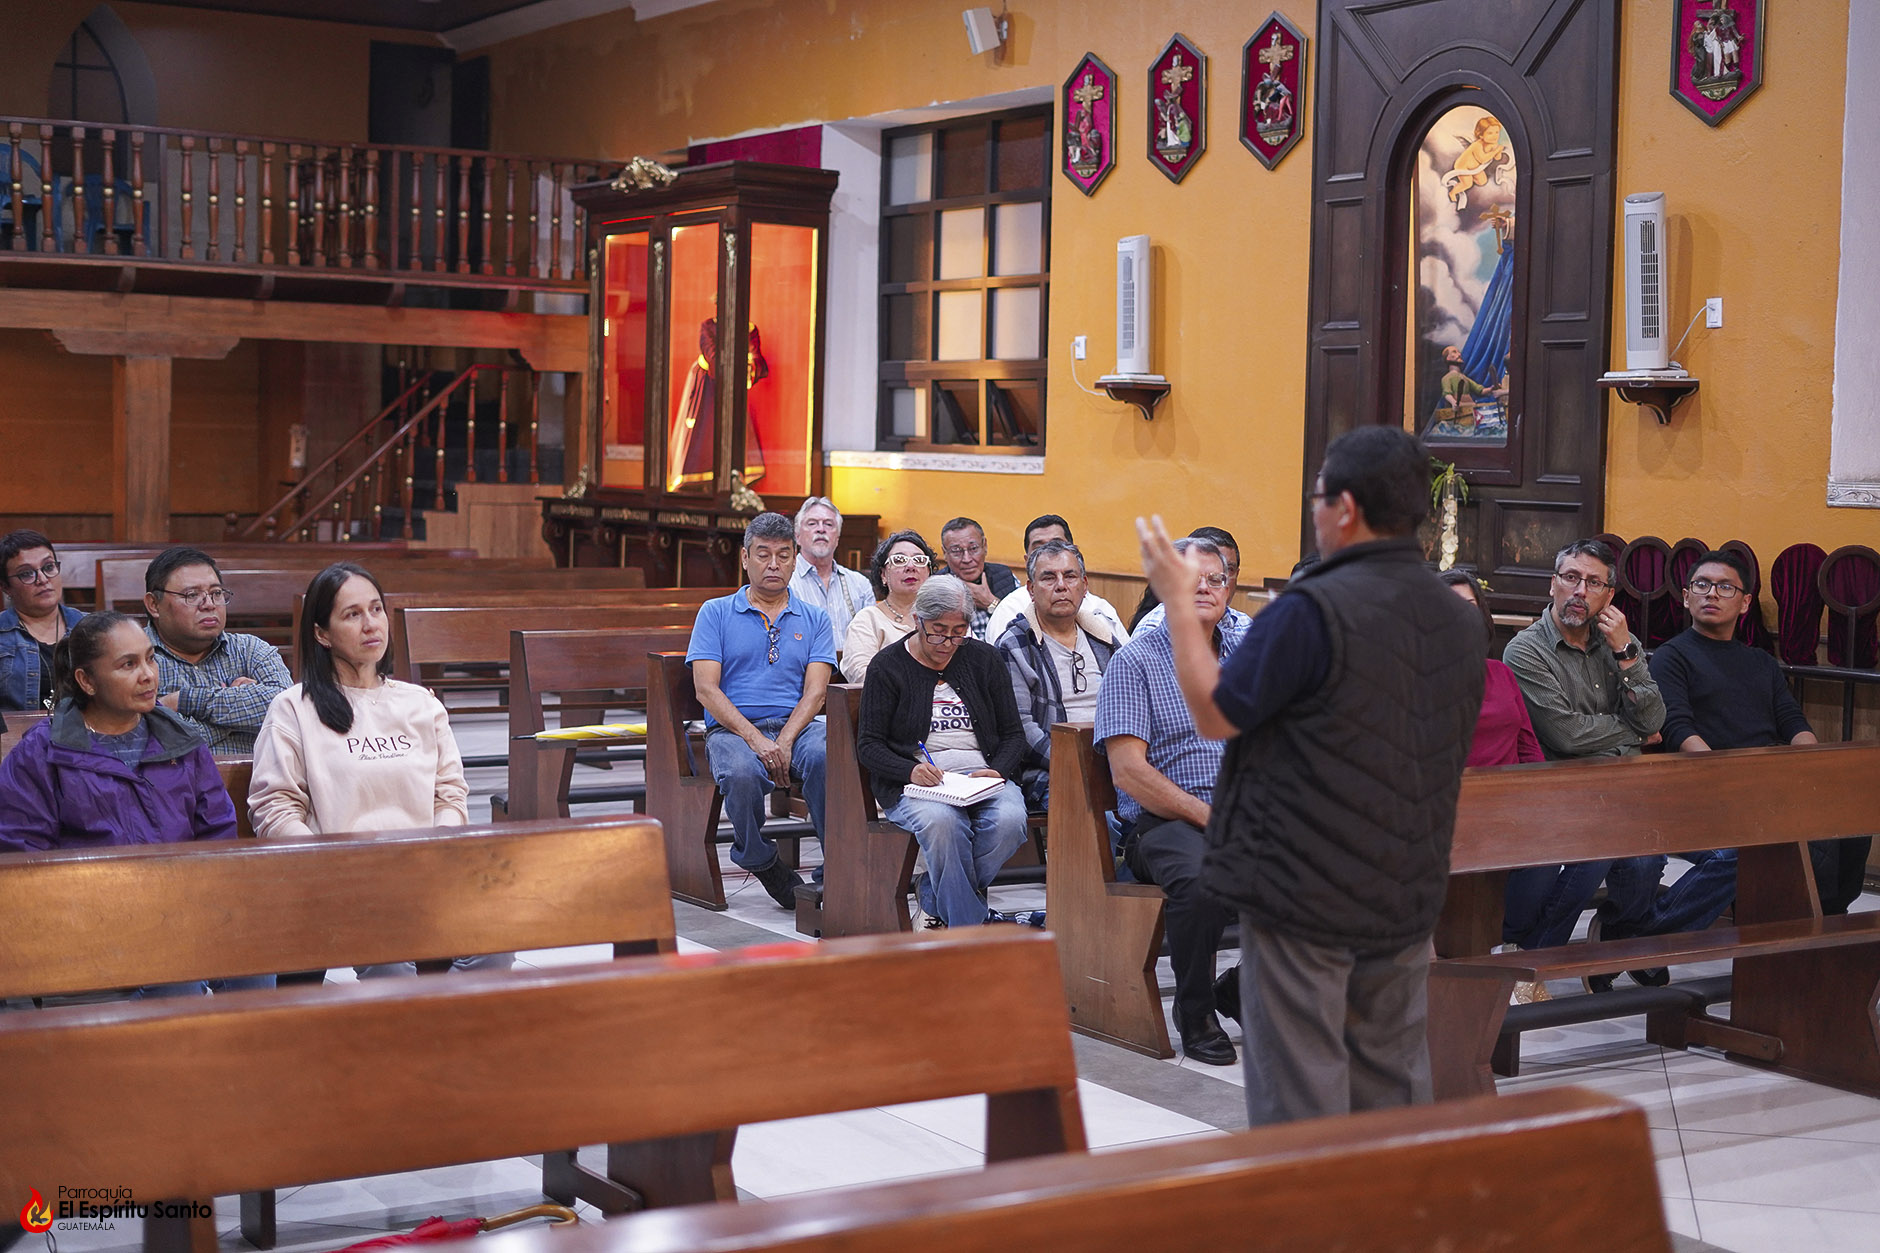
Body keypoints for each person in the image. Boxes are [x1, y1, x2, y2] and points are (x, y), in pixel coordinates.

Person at [1138, 426, 1484, 1125]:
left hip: (1306, 896)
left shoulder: (1312, 609)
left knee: (1302, 1099)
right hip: (1406, 887)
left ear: (1345, 509)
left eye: (1318, 497)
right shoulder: (1457, 619)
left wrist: (1175, 601)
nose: (1315, 510)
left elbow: (1214, 713)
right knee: (1390, 1092)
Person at [1503, 539, 1730, 990]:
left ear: (1609, 596)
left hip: (1629, 794)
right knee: (1612, 858)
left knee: (1694, 858)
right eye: (1571, 578)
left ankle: (1629, 939)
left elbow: (1655, 720)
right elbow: (1566, 735)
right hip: (1563, 796)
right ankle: (1538, 961)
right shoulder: (1525, 651)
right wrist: (1632, 735)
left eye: (1593, 583)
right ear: (1552, 584)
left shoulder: (1620, 645)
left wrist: (1626, 651)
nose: (1579, 591)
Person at [0, 611, 252, 1003]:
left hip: (182, 915)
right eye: (128, 665)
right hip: (88, 928)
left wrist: (199, 908)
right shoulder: (42, 752)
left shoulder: (181, 741)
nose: (148, 675)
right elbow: (25, 859)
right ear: (86, 681)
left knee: (254, 966)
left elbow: (216, 835)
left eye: (150, 658)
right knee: (177, 982)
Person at [249, 563, 485, 977]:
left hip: (423, 873)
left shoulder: (420, 703)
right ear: (322, 634)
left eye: (376, 609)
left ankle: (442, 1010)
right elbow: (275, 808)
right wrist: (331, 868)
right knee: (391, 962)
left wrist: (438, 852)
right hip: (341, 880)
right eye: (352, 614)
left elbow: (449, 794)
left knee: (497, 943)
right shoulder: (293, 708)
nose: (371, 624)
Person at [1097, 536, 1248, 1065]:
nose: (1204, 587)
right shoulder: (1135, 662)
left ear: (1229, 588)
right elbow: (1129, 772)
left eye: (1215, 578)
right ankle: (1196, 1010)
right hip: (1165, 822)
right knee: (1205, 881)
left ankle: (1243, 988)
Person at [1650, 551, 1867, 914]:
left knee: (1852, 814)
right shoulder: (1671, 657)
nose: (1711, 593)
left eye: (1725, 587)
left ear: (1745, 603)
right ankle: (1801, 921)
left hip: (1768, 777)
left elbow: (1793, 722)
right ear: (1686, 597)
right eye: (1702, 585)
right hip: (1710, 786)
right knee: (1809, 834)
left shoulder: (1760, 661)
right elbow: (1678, 728)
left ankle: (1827, 920)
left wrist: (1817, 768)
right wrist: (1732, 777)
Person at [855, 575, 1030, 928]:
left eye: (958, 632)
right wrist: (910, 770)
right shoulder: (888, 666)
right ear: (917, 620)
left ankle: (933, 894)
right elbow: (869, 746)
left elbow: (1014, 734)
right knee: (943, 823)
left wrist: (998, 771)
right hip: (917, 784)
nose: (948, 643)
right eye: (937, 632)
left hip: (980, 778)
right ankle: (967, 930)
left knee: (1011, 821)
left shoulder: (984, 659)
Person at [686, 511, 835, 909]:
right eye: (763, 554)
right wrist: (756, 740)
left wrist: (784, 740)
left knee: (829, 754)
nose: (774, 564)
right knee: (741, 773)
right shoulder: (715, 612)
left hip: (797, 727)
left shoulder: (815, 618)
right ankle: (758, 857)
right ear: (745, 558)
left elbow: (816, 692)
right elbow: (706, 689)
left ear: (795, 560)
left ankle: (838, 865)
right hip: (733, 729)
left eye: (783, 555)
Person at [1441, 569, 1551, 1005]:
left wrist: (1545, 800)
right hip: (1452, 812)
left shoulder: (1501, 673)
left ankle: (1516, 951)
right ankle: (1493, 962)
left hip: (1510, 807)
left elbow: (1527, 744)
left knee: (1567, 856)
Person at [995, 539, 1124, 809]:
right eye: (1048, 578)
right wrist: (1079, 764)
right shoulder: (1015, 645)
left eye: (1070, 576)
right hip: (1049, 770)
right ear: (1031, 589)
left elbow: (1131, 709)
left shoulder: (1105, 640)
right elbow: (1021, 728)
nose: (1061, 586)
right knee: (1097, 814)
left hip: (1116, 762)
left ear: (1084, 586)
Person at [142, 546, 292, 755]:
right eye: (192, 595)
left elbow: (288, 710)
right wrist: (240, 714)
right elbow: (151, 740)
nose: (209, 605)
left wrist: (184, 701)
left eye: (216, 593)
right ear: (154, 604)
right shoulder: (136, 659)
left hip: (257, 776)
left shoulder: (251, 650)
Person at [983, 515, 1130, 644]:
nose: (1049, 554)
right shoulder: (1009, 610)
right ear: (1027, 562)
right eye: (1039, 549)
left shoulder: (1102, 609)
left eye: (1057, 545)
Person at [1, 530, 85, 713]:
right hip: (17, 731)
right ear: (6, 587)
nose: (42, 579)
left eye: (48, 567)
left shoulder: (91, 628)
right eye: (26, 573)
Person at [841, 531, 936, 683]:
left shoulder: (944, 616)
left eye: (919, 560)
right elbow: (861, 674)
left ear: (929, 572)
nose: (910, 566)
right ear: (883, 575)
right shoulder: (867, 620)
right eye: (899, 560)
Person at [1132, 526, 1253, 635]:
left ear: (1237, 575)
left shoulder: (1245, 626)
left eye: (1229, 569)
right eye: (1200, 571)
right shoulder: (1153, 628)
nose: (1218, 578)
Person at [789, 497, 874, 646]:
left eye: (828, 524)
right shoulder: (785, 582)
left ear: (837, 538)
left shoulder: (860, 585)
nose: (821, 529)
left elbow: (871, 640)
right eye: (812, 523)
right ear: (797, 537)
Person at [938, 517, 1018, 639]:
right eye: (956, 551)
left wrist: (990, 602)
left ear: (985, 546)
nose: (967, 559)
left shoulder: (1005, 576)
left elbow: (1023, 627)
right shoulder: (936, 586)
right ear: (945, 553)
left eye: (973, 548)